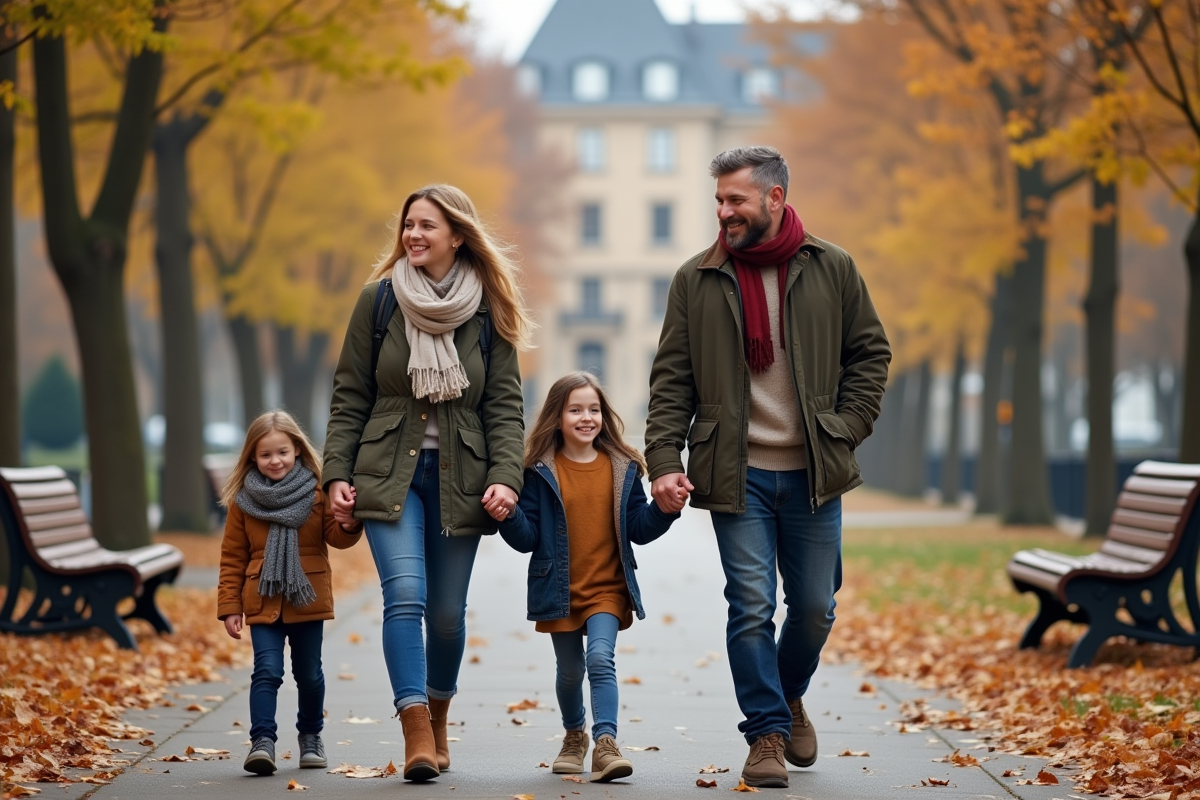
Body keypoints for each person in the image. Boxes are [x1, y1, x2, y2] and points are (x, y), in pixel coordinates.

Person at [645, 146, 891, 788]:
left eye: (736, 201)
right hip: (737, 471)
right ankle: (765, 734)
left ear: (775, 198)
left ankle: (785, 696)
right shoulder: (695, 278)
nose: (723, 212)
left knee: (814, 609)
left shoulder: (831, 267)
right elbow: (671, 381)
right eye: (719, 201)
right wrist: (664, 462)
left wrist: (846, 427)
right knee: (750, 604)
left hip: (814, 472)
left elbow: (871, 354)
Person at [323, 184, 531, 782]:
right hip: (388, 476)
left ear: (457, 237)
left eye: (426, 227)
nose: (412, 235)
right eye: (408, 225)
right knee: (405, 596)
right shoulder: (379, 301)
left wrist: (505, 478)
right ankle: (415, 726)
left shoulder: (489, 311)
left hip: (461, 480)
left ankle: (438, 713)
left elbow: (504, 407)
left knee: (445, 614)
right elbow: (349, 396)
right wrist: (336, 473)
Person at [497, 372, 680, 782]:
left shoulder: (624, 468)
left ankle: (606, 744)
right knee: (569, 671)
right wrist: (508, 515)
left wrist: (665, 510)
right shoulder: (539, 471)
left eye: (594, 409)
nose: (587, 417)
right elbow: (528, 539)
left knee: (600, 658)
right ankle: (574, 734)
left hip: (608, 589)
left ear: (604, 416)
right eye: (575, 410)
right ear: (557, 418)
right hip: (558, 587)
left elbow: (638, 527)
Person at [217, 410, 363, 776]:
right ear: (252, 456)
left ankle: (311, 736)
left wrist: (350, 521)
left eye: (282, 451)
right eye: (265, 454)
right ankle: (262, 742)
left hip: (306, 597)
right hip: (261, 597)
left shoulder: (317, 493)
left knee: (309, 673)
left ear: (297, 449)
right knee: (266, 670)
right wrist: (229, 606)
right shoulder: (243, 500)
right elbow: (233, 556)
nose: (275, 460)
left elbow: (337, 536)